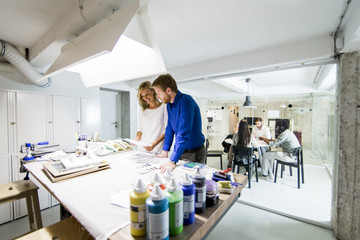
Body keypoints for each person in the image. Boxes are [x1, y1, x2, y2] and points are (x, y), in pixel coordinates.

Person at [152, 73, 206, 173]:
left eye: (159, 93)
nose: (158, 97)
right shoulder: (169, 105)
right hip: (183, 151)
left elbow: (183, 133)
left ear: (168, 90)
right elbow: (169, 128)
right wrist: (165, 151)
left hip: (194, 152)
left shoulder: (186, 101)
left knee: (190, 183)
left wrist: (172, 160)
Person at [135, 81, 168, 154]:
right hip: (142, 148)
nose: (145, 98)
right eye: (142, 96)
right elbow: (140, 130)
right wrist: (136, 139)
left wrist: (155, 144)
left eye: (147, 94)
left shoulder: (164, 107)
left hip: (157, 148)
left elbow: (167, 130)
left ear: (153, 91)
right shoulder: (142, 110)